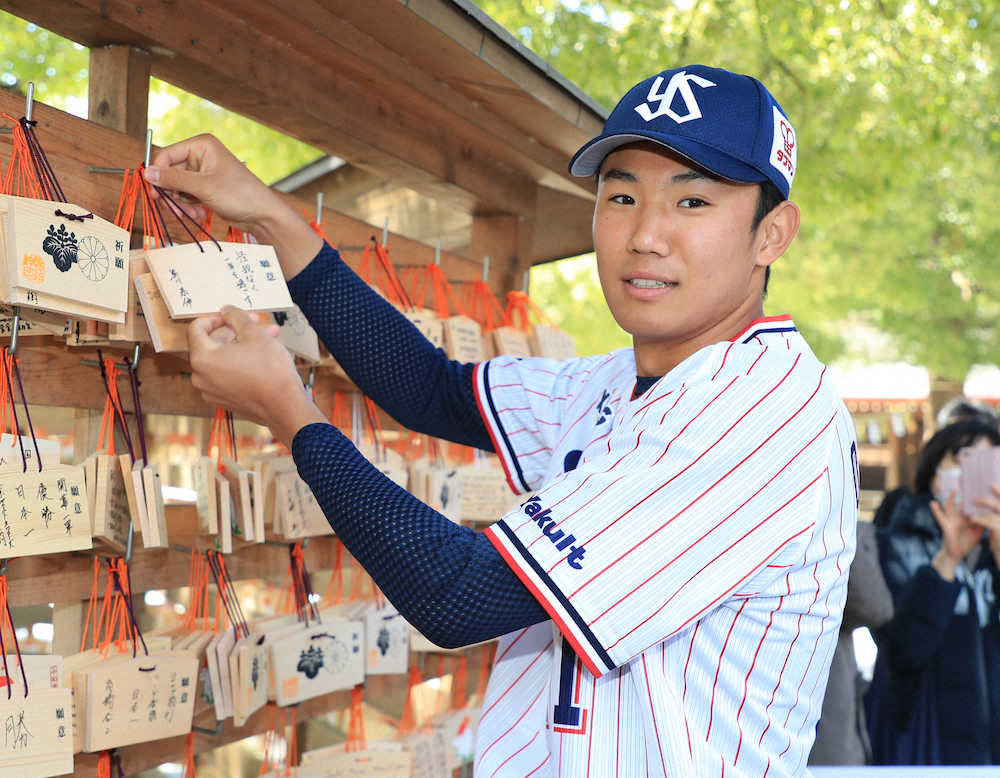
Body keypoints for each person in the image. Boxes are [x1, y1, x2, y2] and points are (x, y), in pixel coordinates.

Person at [146, 64, 857, 777]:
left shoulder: (763, 411)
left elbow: (459, 594)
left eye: (693, 201)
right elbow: (430, 389)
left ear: (772, 234)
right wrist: (269, 215)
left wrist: (289, 413)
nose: (646, 234)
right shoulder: (622, 378)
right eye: (622, 195)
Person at [866, 417, 1000, 764]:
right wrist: (948, 558)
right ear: (933, 471)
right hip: (921, 743)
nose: (976, 477)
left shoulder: (992, 551)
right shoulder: (894, 543)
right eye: (963, 460)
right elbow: (904, 652)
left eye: (989, 465)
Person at [808, 518, 893, 765]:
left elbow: (876, 607)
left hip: (826, 726)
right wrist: (843, 521)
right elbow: (877, 607)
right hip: (818, 736)